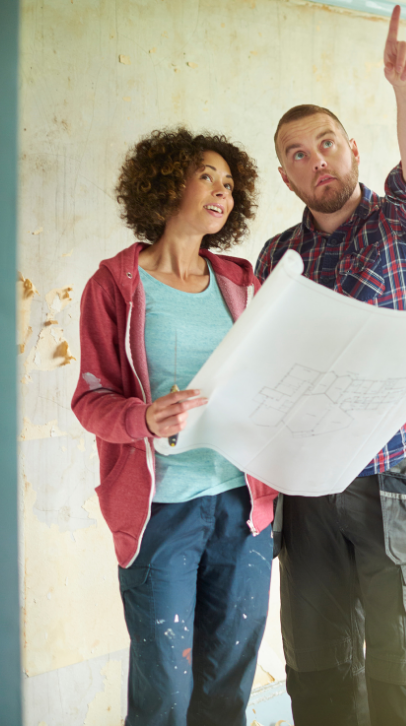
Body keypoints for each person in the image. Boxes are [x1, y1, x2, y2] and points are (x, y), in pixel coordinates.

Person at [253, 6, 406, 725]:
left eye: (327, 143)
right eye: (299, 154)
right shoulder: (277, 259)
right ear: (286, 174)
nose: (318, 160)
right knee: (319, 669)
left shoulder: (403, 224)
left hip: (393, 480)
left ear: (354, 149)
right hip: (308, 490)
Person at [71, 128, 278, 726]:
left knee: (228, 680)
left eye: (230, 183)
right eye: (207, 175)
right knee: (165, 687)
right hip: (163, 513)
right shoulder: (116, 285)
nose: (222, 191)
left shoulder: (243, 283)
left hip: (243, 509)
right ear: (167, 184)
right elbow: (90, 400)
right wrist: (143, 417)